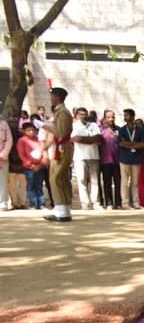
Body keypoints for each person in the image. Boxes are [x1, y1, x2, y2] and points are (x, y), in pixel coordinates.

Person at [36, 87, 74, 222]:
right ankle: (62, 210)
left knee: (56, 179)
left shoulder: (63, 113)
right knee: (59, 179)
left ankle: (62, 211)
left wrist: (43, 125)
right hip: (59, 148)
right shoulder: (59, 112)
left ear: (57, 97)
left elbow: (60, 132)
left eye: (52, 96)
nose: (50, 98)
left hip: (62, 148)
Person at [70, 107, 102, 209]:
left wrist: (84, 139)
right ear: (77, 115)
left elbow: (98, 138)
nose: (83, 116)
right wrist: (91, 140)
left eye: (84, 114)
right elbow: (75, 139)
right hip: (80, 156)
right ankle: (85, 203)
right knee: (81, 180)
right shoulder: (74, 126)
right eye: (80, 114)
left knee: (95, 181)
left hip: (93, 156)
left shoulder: (93, 125)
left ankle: (95, 202)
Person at [118, 108, 144, 209]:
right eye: (124, 115)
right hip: (124, 159)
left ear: (133, 117)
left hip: (136, 159)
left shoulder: (140, 130)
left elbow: (143, 144)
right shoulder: (121, 130)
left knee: (135, 183)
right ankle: (125, 203)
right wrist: (134, 145)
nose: (124, 117)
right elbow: (121, 143)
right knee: (124, 182)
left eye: (127, 115)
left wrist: (129, 145)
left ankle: (135, 202)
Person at [17, 121, 48, 209]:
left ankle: (41, 203)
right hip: (29, 167)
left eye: (32, 130)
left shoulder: (39, 139)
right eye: (28, 130)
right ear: (24, 131)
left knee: (39, 185)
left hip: (40, 166)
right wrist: (30, 165)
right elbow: (22, 155)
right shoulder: (22, 141)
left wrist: (41, 164)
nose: (31, 132)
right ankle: (33, 203)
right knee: (31, 185)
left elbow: (44, 151)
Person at [99, 110, 121, 209]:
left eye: (112, 117)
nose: (111, 119)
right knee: (107, 182)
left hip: (118, 160)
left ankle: (118, 203)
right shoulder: (101, 130)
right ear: (104, 118)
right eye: (108, 117)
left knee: (118, 182)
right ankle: (109, 202)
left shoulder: (119, 129)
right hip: (105, 160)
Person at [0, 113, 11, 211]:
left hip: (2, 157)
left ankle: (3, 202)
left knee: (3, 181)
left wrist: (4, 154)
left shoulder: (4, 124)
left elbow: (9, 140)